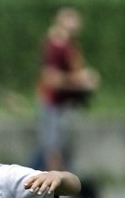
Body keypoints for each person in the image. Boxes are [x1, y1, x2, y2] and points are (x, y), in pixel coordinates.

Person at [36, 6, 100, 173]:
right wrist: (81, 80)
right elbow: (51, 78)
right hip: (54, 103)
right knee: (53, 148)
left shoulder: (70, 45)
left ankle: (63, 188)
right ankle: (55, 191)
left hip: (65, 105)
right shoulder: (55, 45)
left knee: (63, 147)